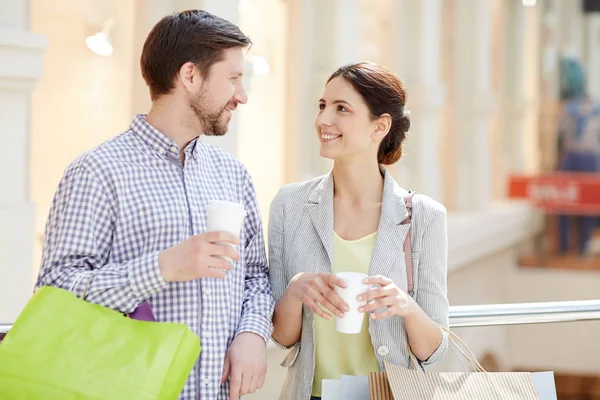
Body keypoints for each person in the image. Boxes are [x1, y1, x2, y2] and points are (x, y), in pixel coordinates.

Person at [35, 10, 274, 400]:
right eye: (233, 79)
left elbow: (257, 278)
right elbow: (54, 293)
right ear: (190, 76)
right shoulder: (97, 172)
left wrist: (252, 332)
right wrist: (162, 268)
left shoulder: (233, 175)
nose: (242, 95)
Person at [268, 62, 449, 400]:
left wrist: (405, 306)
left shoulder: (425, 216)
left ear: (379, 126)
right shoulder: (289, 205)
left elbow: (434, 351)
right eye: (322, 106)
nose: (324, 120)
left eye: (341, 109)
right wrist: (295, 291)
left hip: (387, 394)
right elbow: (281, 337)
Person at [556, 57, 600, 256]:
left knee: (589, 200)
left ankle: (584, 245)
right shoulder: (568, 110)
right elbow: (560, 134)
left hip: (590, 158)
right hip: (571, 156)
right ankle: (564, 246)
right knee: (560, 194)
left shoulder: (596, 111)